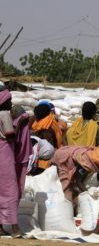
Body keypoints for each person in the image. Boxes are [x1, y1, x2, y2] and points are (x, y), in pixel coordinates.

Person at [0, 89, 22, 237]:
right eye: (9, 100)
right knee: (11, 190)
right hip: (5, 153)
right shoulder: (4, 114)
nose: (11, 103)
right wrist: (20, 123)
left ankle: (0, 227)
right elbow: (10, 135)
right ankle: (14, 228)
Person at [10, 105, 33, 201]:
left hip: (18, 157)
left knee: (17, 186)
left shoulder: (21, 125)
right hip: (16, 158)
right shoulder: (18, 124)